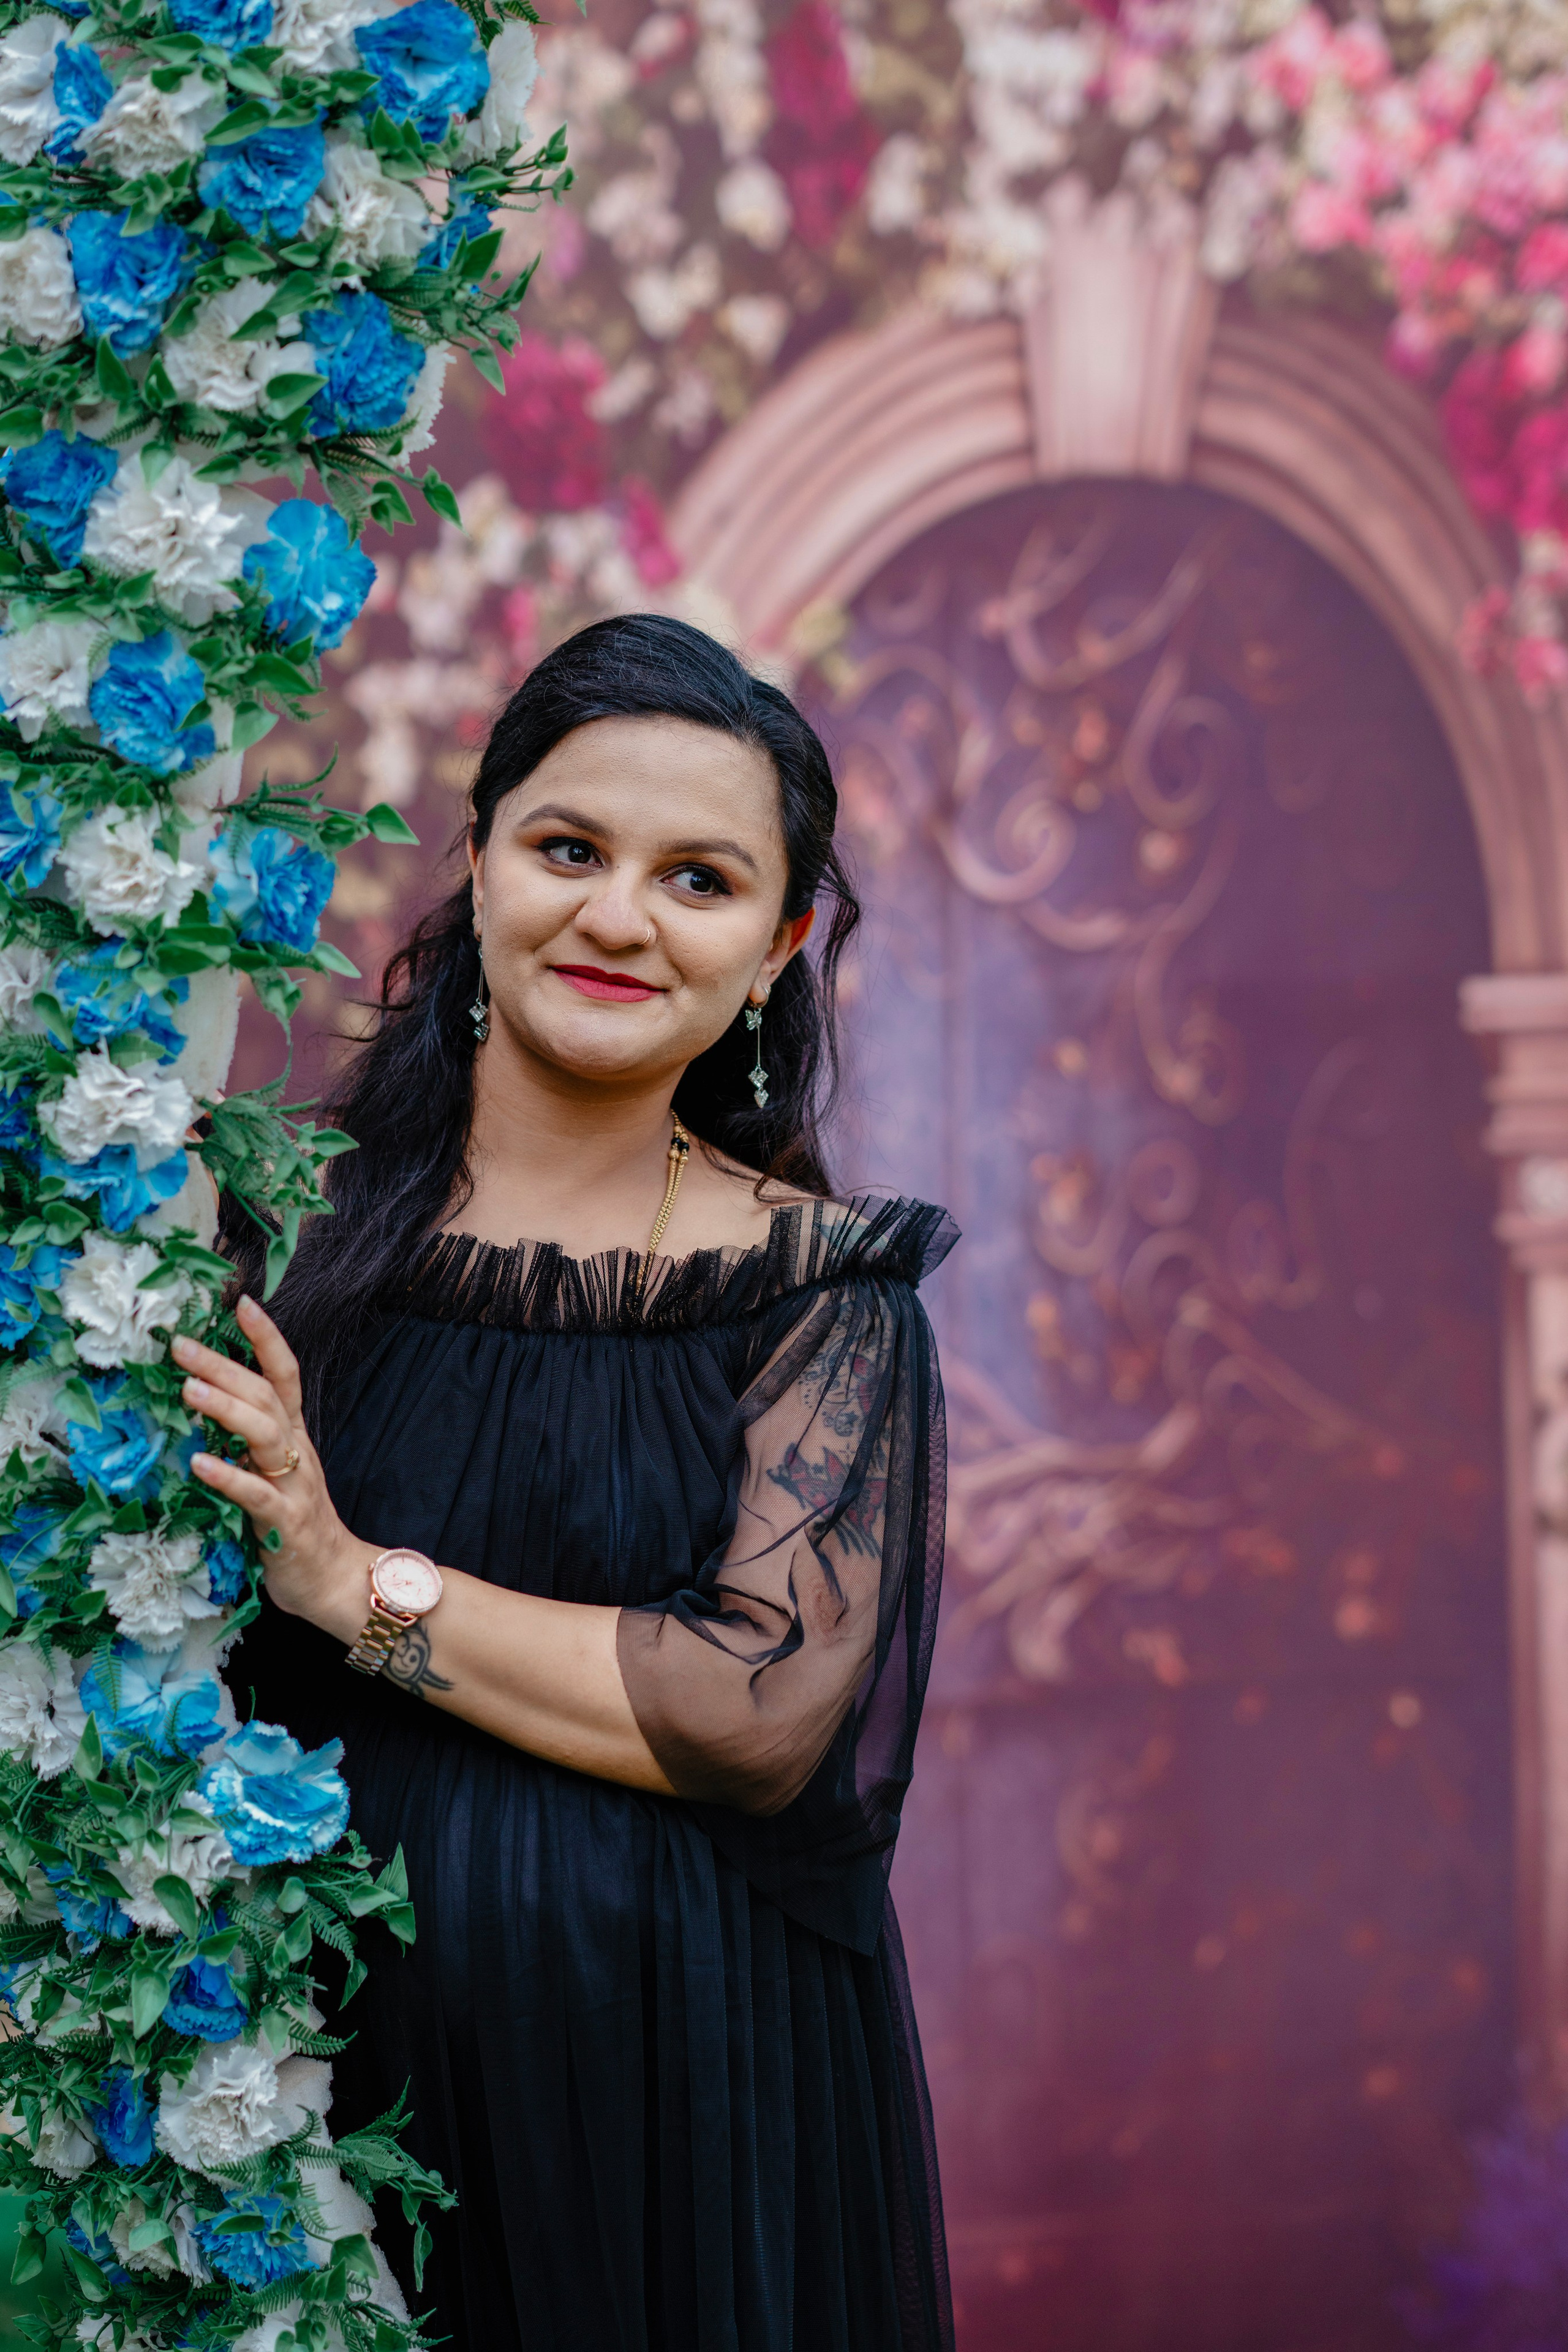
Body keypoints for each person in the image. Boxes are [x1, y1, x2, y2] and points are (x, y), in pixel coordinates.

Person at [175, 614, 957, 2352]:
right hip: (295, 2090)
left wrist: (350, 1580)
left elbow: (755, 1704)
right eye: (570, 849)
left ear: (778, 946)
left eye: (700, 879)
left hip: (684, 2115)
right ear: (479, 865)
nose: (619, 916)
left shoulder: (821, 1297)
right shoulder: (266, 1238)